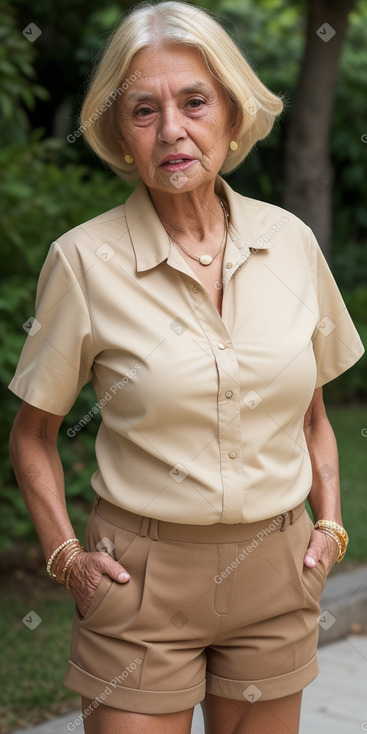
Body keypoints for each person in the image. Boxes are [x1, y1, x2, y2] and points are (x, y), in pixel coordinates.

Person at [9, 2, 364, 733]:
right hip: (140, 585)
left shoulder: (291, 242)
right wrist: (67, 559)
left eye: (194, 102)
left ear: (231, 115)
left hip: (277, 572)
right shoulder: (82, 262)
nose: (171, 129)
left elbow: (314, 419)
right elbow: (32, 435)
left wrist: (329, 528)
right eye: (144, 110)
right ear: (119, 132)